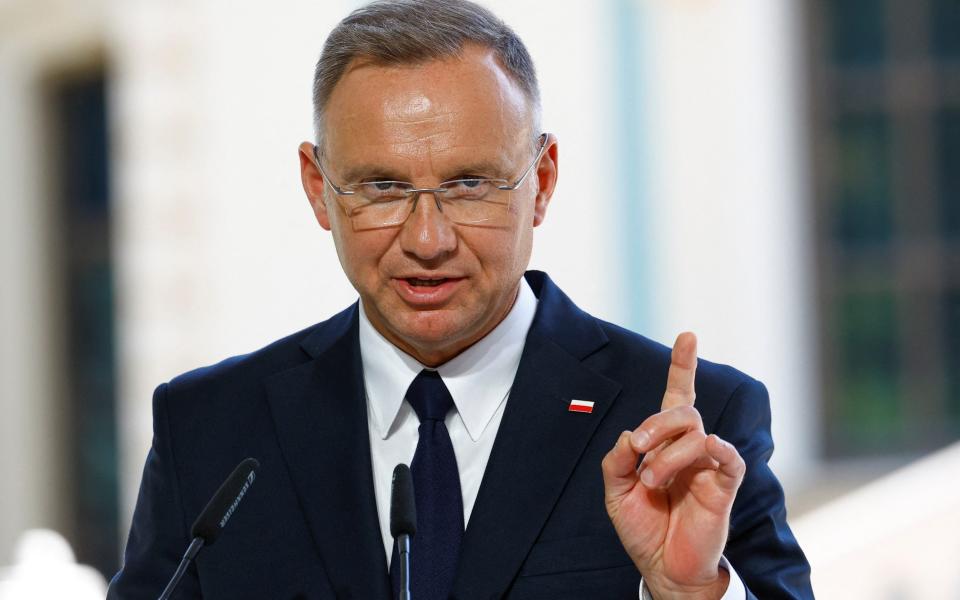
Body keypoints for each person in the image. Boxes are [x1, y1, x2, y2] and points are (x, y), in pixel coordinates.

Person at [108, 1, 813, 598]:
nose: (427, 237)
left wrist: (692, 594)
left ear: (542, 180)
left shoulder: (684, 430)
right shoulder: (209, 432)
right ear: (319, 188)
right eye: (382, 187)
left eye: (469, 184)